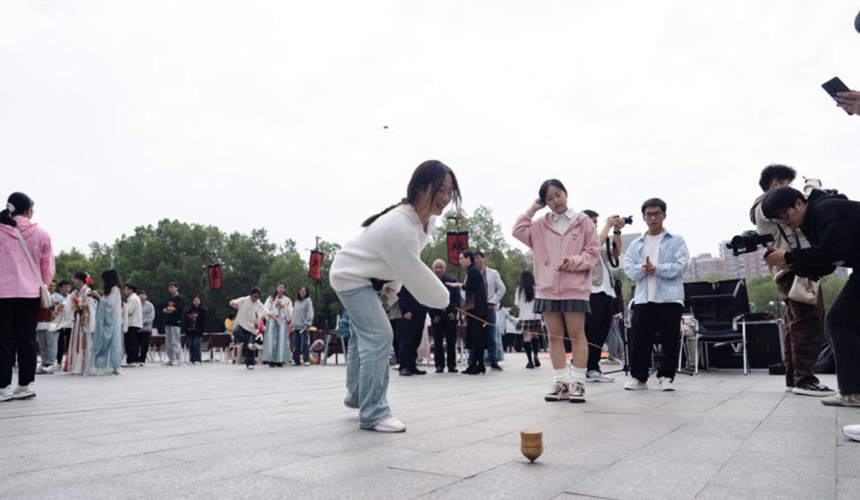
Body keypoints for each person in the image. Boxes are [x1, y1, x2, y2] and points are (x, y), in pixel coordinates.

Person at [329, 159, 457, 432]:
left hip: (372, 280)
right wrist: (446, 299)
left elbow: (401, 264)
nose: (446, 198)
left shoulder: (424, 222)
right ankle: (374, 412)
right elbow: (415, 271)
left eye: (450, 191)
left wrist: (389, 294)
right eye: (441, 190)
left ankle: (357, 396)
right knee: (379, 335)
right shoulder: (399, 224)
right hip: (351, 277)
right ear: (421, 187)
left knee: (362, 337)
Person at [751, 165, 834, 396]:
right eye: (788, 184)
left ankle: (794, 378)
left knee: (795, 323)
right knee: (807, 323)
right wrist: (812, 188)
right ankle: (804, 379)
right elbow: (805, 203)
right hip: (794, 268)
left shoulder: (765, 206)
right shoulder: (764, 206)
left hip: (793, 268)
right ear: (776, 183)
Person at [513, 179, 599, 402]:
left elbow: (593, 254)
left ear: (566, 194)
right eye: (549, 198)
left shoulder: (583, 222)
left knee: (577, 335)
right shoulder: (541, 224)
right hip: (547, 288)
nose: (556, 201)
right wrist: (533, 208)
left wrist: (572, 261)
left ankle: (578, 383)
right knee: (554, 337)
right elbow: (518, 230)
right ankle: (560, 382)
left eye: (558, 195)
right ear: (545, 202)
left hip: (575, 287)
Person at [623, 198, 689, 392]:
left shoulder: (676, 240)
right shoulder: (636, 244)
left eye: (657, 213)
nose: (653, 218)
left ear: (664, 215)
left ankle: (667, 377)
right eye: (649, 214)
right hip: (644, 297)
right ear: (644, 217)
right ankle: (639, 378)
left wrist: (657, 269)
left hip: (669, 297)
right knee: (640, 338)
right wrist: (643, 269)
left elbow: (681, 265)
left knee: (670, 339)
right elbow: (628, 268)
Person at [0, 192, 54, 401]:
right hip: (30, 293)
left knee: (3, 339)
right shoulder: (41, 234)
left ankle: (3, 387)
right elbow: (47, 269)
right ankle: (25, 385)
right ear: (29, 210)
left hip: (2, 294)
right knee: (27, 339)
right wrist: (43, 285)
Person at [581, 210, 625, 383]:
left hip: (607, 291)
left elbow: (616, 253)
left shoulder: (599, 240)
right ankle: (587, 367)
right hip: (592, 291)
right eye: (591, 222)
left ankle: (593, 367)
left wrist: (616, 231)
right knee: (591, 331)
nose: (594, 226)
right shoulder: (580, 240)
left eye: (596, 223)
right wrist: (608, 225)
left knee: (602, 331)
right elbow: (593, 247)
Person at [85, 269, 124, 376]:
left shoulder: (115, 289)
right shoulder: (112, 290)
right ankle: (105, 365)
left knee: (110, 343)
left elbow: (109, 305)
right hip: (109, 322)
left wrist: (98, 296)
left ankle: (109, 365)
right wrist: (98, 296)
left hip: (111, 323)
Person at [474, 250, 506, 371]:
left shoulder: (493, 273)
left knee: (491, 334)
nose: (476, 260)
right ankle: (476, 360)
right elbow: (464, 290)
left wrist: (493, 301)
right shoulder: (472, 273)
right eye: (474, 258)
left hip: (489, 307)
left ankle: (493, 360)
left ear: (483, 258)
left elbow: (502, 288)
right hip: (476, 308)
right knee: (476, 335)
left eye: (478, 258)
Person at [230, 288, 277, 369]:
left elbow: (267, 312)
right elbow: (232, 303)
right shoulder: (244, 300)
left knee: (251, 347)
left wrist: (277, 319)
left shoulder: (258, 304)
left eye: (257, 297)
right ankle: (248, 343)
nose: (255, 299)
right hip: (241, 324)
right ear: (250, 295)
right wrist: (234, 303)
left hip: (252, 328)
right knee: (236, 332)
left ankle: (250, 364)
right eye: (253, 297)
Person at [429, 259, 460, 373]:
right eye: (436, 267)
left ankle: (452, 365)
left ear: (444, 269)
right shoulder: (430, 282)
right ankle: (439, 365)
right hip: (436, 316)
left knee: (451, 341)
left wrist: (454, 312)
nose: (438, 269)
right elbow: (427, 300)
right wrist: (433, 315)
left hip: (449, 315)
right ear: (433, 269)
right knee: (438, 342)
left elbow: (456, 299)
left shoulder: (452, 281)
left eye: (440, 267)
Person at [64, 271, 96, 374]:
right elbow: (69, 305)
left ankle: (84, 366)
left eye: (75, 278)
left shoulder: (88, 291)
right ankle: (76, 366)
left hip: (84, 320)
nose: (74, 281)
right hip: (77, 319)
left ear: (80, 280)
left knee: (84, 341)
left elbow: (91, 306)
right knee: (76, 341)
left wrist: (81, 305)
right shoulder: (75, 292)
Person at [396, 286, 428, 376]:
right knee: (406, 341)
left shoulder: (423, 283)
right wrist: (405, 311)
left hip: (420, 314)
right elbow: (401, 296)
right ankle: (404, 366)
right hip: (409, 315)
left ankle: (412, 365)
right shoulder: (407, 282)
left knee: (416, 341)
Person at [515, 270, 542, 369]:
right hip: (535, 316)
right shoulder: (536, 288)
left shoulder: (519, 290)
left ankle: (530, 361)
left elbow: (516, 303)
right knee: (535, 337)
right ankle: (536, 355)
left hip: (524, 316)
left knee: (526, 338)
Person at [263, 282, 293, 367]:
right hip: (272, 320)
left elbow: (290, 313)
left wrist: (283, 307)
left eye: (282, 288)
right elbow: (265, 309)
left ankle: (280, 360)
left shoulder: (288, 300)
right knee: (271, 340)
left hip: (282, 322)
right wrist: (274, 307)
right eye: (279, 287)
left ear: (285, 289)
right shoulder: (271, 299)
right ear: (276, 288)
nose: (281, 289)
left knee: (281, 341)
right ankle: (271, 360)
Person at [35, 281, 59, 374]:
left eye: (53, 286)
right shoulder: (38, 295)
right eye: (49, 286)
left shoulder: (56, 298)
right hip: (40, 322)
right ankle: (44, 363)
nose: (51, 287)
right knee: (42, 344)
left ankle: (51, 363)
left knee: (51, 343)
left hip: (51, 323)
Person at [52, 280, 74, 370]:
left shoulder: (72, 297)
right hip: (59, 323)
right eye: (65, 287)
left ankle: (69, 362)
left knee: (69, 343)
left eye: (68, 287)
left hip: (69, 323)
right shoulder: (54, 297)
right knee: (59, 343)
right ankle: (58, 361)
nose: (67, 289)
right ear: (60, 288)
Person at [291, 285, 314, 366]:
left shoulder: (308, 301)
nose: (302, 292)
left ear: (307, 292)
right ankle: (296, 360)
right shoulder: (296, 301)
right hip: (296, 326)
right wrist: (292, 323)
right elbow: (294, 313)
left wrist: (307, 323)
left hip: (303, 326)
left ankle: (306, 359)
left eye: (304, 291)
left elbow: (310, 313)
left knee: (304, 343)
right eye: (301, 290)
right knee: (296, 344)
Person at [162, 282, 184, 366]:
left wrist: (170, 309)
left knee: (175, 341)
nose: (171, 289)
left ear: (176, 288)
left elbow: (178, 309)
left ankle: (178, 359)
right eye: (169, 288)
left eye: (172, 287)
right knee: (168, 341)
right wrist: (169, 309)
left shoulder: (180, 298)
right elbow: (165, 309)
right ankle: (171, 358)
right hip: (168, 321)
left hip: (176, 322)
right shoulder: (169, 298)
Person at [122, 283, 143, 367]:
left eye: (126, 289)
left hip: (132, 323)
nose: (124, 291)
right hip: (134, 323)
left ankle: (131, 360)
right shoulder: (134, 298)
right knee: (132, 342)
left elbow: (129, 311)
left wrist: (122, 309)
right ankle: (131, 359)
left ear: (131, 289)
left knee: (130, 342)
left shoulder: (132, 299)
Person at [184, 296, 207, 365]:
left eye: (197, 300)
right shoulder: (190, 309)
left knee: (196, 344)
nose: (196, 302)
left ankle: (198, 359)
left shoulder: (203, 309)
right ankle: (192, 359)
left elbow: (204, 320)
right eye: (194, 300)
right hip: (191, 330)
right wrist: (189, 317)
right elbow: (186, 318)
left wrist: (197, 317)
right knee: (191, 345)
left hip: (199, 330)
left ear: (200, 301)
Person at [138, 290, 155, 366]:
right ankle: (136, 359)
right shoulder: (137, 304)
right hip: (137, 328)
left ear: (146, 296)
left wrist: (142, 322)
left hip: (146, 328)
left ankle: (142, 359)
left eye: (143, 295)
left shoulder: (150, 305)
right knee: (137, 344)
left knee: (144, 345)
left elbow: (151, 317)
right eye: (140, 294)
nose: (142, 296)